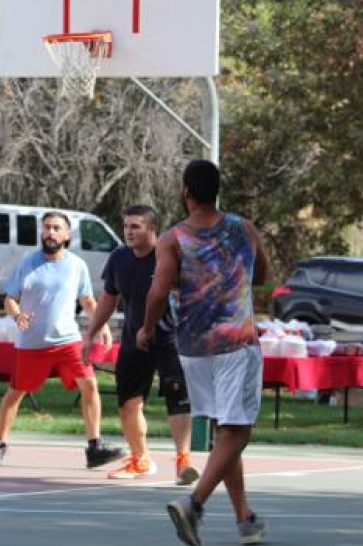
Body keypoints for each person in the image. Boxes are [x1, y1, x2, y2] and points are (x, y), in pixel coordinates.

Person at [137, 160, 269, 546]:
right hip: (236, 344)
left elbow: (159, 291)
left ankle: (246, 519)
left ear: (186, 192)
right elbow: (261, 274)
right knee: (237, 431)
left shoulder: (173, 238)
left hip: (193, 348)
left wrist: (147, 328)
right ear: (217, 191)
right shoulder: (243, 229)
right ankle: (193, 504)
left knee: (224, 431)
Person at [0, 211, 123, 468]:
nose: (50, 232)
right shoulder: (27, 263)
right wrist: (17, 316)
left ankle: (94, 447)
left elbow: (88, 301)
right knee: (15, 393)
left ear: (67, 234)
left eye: (56, 228)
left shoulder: (77, 265)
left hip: (67, 341)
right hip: (32, 344)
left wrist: (100, 324)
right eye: (47, 227)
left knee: (89, 386)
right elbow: (9, 299)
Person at [84, 204, 199, 484]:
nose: (129, 232)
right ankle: (141, 459)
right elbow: (109, 298)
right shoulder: (119, 258)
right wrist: (91, 334)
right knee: (128, 403)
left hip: (171, 339)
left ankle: (184, 461)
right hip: (135, 340)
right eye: (126, 226)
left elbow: (197, 297)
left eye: (135, 226)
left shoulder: (172, 257)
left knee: (177, 397)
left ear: (152, 229)